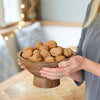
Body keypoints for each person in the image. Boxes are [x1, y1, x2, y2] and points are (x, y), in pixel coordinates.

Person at [18, 0, 100, 100]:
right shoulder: (94, 6)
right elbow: (84, 74)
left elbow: (84, 63)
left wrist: (85, 64)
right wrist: (56, 69)